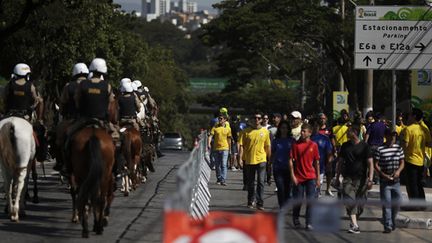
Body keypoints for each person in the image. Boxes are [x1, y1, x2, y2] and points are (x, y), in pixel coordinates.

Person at [335, 125, 374, 234]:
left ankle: (354, 220)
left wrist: (370, 179)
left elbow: (370, 164)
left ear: (354, 133)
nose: (346, 133)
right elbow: (340, 162)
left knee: (360, 205)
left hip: (361, 180)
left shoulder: (365, 146)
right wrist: (337, 177)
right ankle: (355, 225)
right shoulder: (344, 146)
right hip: (348, 178)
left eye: (348, 131)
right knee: (350, 201)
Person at [54, 63, 89, 171]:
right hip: (89, 119)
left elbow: (62, 104)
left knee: (58, 138)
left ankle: (60, 162)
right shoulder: (91, 84)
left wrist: (62, 112)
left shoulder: (68, 86)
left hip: (72, 119)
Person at [289, 123, 320, 230]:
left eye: (304, 131)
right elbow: (290, 161)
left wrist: (318, 179)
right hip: (298, 177)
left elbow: (316, 162)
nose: (302, 132)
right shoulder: (295, 145)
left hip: (310, 177)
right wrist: (293, 176)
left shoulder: (314, 145)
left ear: (309, 133)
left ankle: (309, 222)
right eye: (301, 130)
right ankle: (296, 218)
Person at [374, 128, 405, 233]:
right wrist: (383, 175)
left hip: (396, 181)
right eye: (391, 136)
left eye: (394, 136)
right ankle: (388, 225)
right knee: (387, 204)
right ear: (386, 136)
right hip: (385, 181)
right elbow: (376, 165)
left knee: (398, 201)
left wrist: (398, 172)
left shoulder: (398, 148)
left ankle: (392, 220)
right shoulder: (380, 149)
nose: (393, 138)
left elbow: (402, 162)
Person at [238, 112, 271, 210]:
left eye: (258, 118)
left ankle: (260, 203)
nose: (256, 120)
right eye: (254, 118)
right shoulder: (245, 132)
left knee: (261, 182)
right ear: (251, 119)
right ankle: (250, 200)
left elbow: (267, 146)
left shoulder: (265, 132)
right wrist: (240, 158)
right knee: (251, 183)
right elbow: (241, 146)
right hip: (249, 160)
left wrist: (269, 159)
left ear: (261, 120)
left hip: (261, 160)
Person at [400, 108, 432, 201]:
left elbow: (405, 145)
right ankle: (421, 203)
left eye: (410, 115)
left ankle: (414, 204)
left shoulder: (408, 129)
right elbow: (429, 144)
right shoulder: (424, 129)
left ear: (414, 116)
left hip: (410, 159)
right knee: (419, 183)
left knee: (411, 184)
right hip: (420, 161)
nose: (408, 116)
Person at [271, 120, 294, 207]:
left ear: (288, 129)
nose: (284, 130)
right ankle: (282, 207)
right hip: (278, 169)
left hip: (289, 169)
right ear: (279, 129)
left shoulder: (292, 141)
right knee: (280, 189)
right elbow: (272, 154)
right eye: (282, 128)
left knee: (288, 190)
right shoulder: (276, 141)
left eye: (286, 128)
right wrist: (270, 166)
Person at [311, 119, 334, 197]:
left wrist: (329, 163)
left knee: (315, 191)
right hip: (307, 169)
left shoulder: (324, 138)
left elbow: (329, 153)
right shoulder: (305, 139)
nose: (315, 128)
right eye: (313, 126)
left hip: (320, 168)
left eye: (316, 126)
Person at [208, 114, 232, 186]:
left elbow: (229, 139)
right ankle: (218, 178)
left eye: (221, 118)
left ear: (225, 120)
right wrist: (208, 144)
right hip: (216, 148)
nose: (220, 120)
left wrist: (230, 149)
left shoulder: (228, 129)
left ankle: (223, 180)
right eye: (219, 118)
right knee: (217, 165)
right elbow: (210, 136)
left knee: (224, 164)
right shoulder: (215, 127)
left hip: (225, 148)